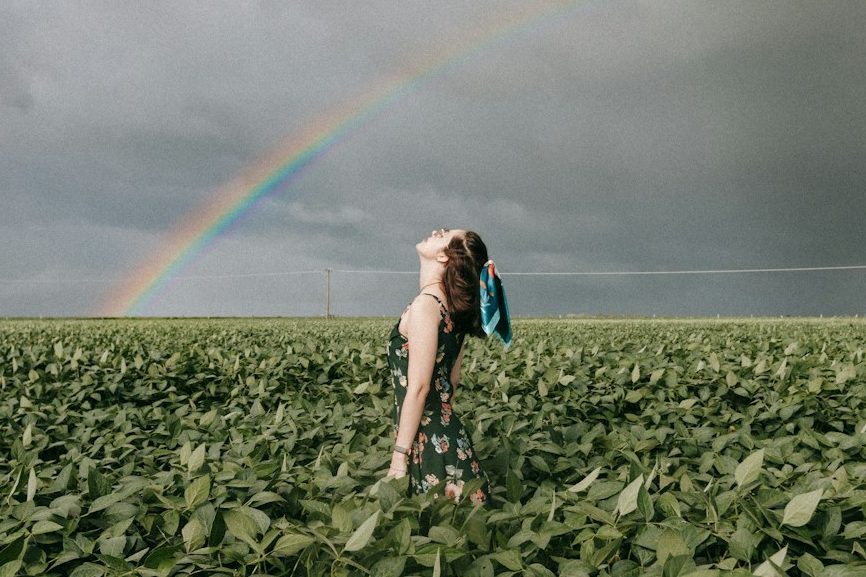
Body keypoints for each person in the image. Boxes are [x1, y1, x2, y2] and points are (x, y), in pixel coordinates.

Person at [386, 228, 511, 505]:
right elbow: (451, 383)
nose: (436, 231)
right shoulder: (453, 309)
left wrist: (399, 456)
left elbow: (419, 388)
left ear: (444, 257)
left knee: (433, 530)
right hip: (451, 440)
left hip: (427, 444)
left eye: (443, 234)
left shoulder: (425, 306)